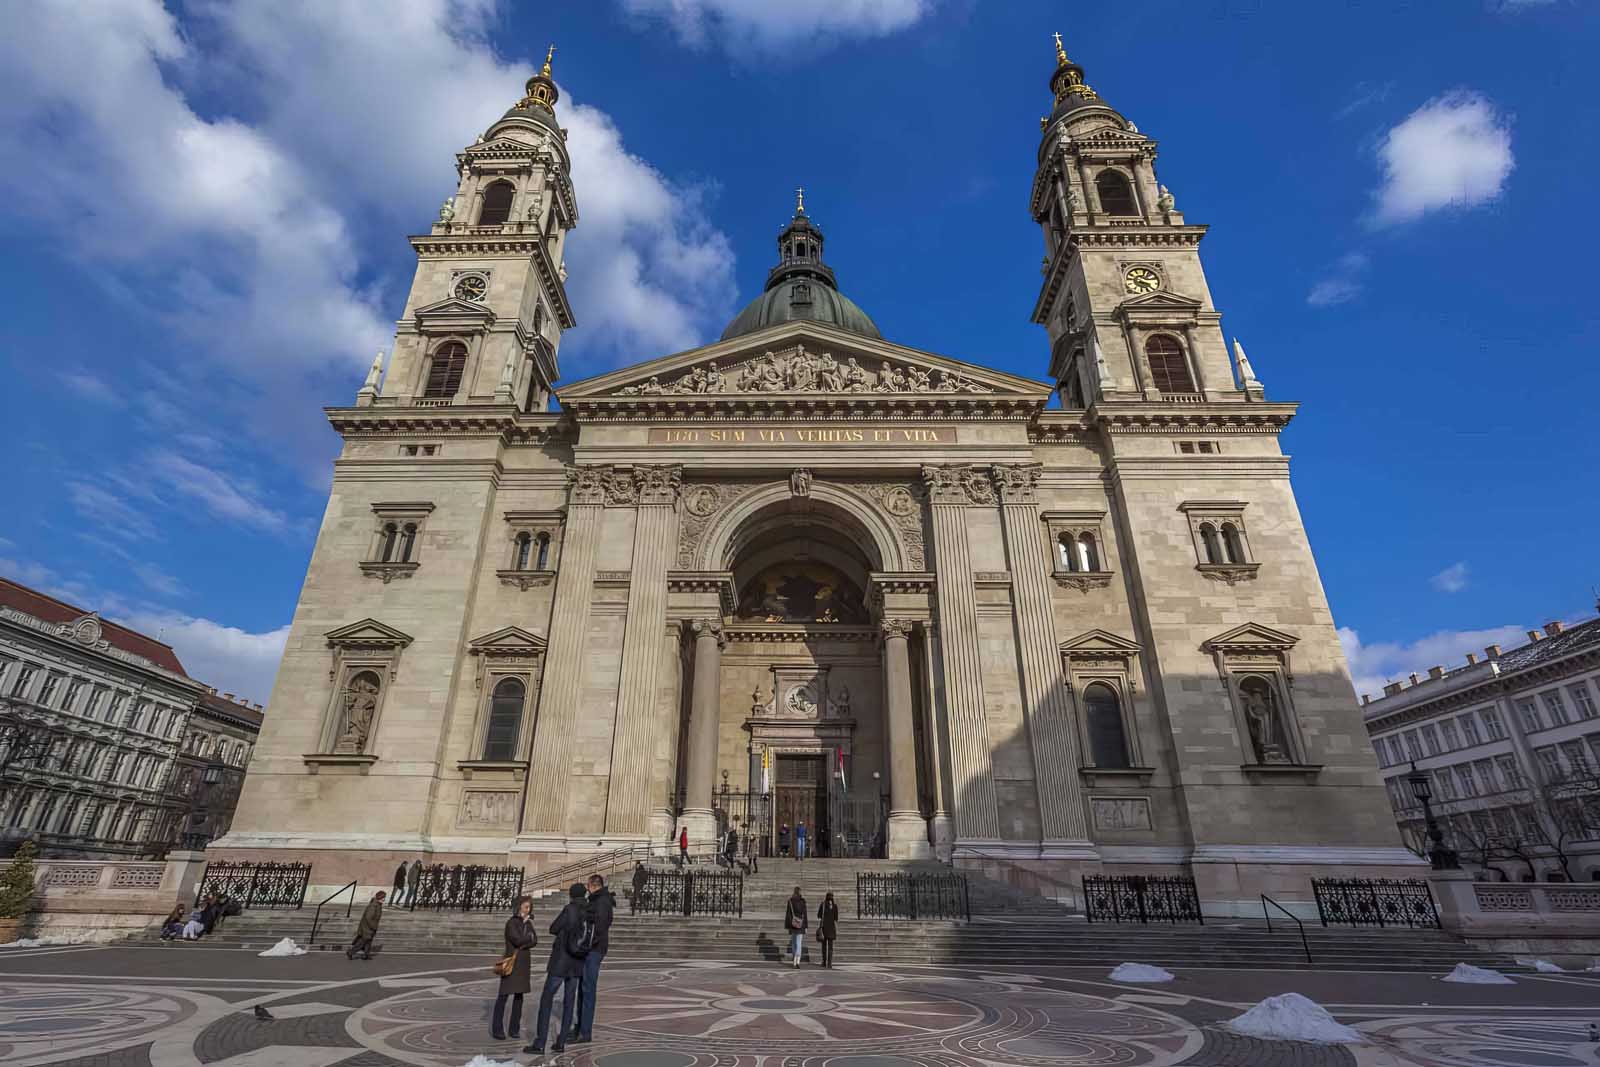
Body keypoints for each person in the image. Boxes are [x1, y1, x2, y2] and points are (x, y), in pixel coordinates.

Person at [525, 883, 589, 1056]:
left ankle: (540, 1042)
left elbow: (553, 928)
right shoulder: (590, 911)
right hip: (578, 962)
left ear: (571, 895)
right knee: (569, 1002)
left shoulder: (570, 909)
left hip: (561, 960)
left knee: (547, 999)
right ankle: (561, 1043)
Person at [571, 873, 614, 1044]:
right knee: (583, 988)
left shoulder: (601, 901)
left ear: (592, 885)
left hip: (594, 950)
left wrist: (587, 944)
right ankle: (580, 1027)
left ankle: (585, 1031)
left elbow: (600, 927)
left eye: (588, 886)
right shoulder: (598, 900)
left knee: (588, 990)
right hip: (592, 949)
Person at [492, 895, 537, 1041]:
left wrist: (527, 938)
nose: (527, 910)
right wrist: (526, 938)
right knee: (503, 995)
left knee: (519, 996)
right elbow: (517, 940)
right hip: (512, 962)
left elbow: (535, 940)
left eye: (529, 907)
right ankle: (497, 1028)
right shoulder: (512, 923)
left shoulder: (528, 923)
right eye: (525, 907)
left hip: (524, 964)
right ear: (518, 908)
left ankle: (514, 1029)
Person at [347, 890, 385, 960]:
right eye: (382, 897)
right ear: (379, 897)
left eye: (384, 897)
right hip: (367, 927)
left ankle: (366, 955)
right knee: (363, 942)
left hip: (370, 927)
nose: (384, 899)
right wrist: (373, 926)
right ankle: (350, 952)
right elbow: (368, 917)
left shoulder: (378, 905)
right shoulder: (373, 906)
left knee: (369, 941)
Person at [784, 886, 807, 966]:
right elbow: (805, 914)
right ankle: (797, 960)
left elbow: (788, 914)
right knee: (799, 943)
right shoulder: (803, 901)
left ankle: (794, 958)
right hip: (801, 924)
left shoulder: (790, 901)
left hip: (793, 924)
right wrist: (806, 926)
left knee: (793, 943)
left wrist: (788, 925)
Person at [817, 891, 839, 968]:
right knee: (830, 947)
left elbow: (819, 915)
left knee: (824, 946)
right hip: (831, 928)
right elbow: (836, 918)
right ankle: (829, 963)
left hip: (824, 928)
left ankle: (824, 962)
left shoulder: (822, 905)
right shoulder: (835, 906)